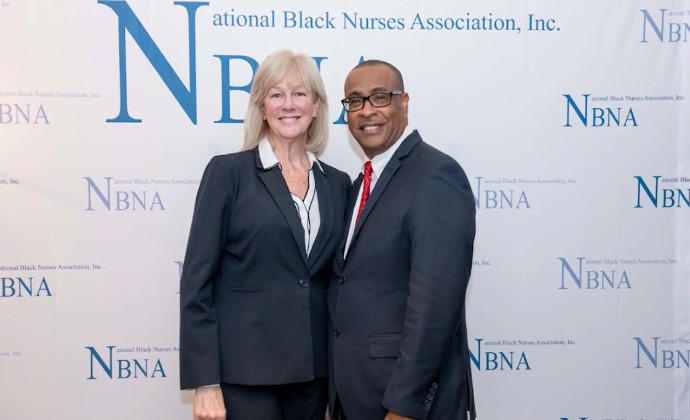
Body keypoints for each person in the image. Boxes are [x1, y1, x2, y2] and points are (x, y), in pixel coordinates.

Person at [179, 50, 350, 420]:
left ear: (317, 105)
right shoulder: (228, 174)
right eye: (276, 94)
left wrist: (336, 384)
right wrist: (205, 382)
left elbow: (335, 284)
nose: (289, 105)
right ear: (261, 106)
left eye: (300, 93)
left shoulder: (338, 184)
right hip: (244, 377)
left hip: (313, 377)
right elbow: (197, 282)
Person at [328, 60, 477, 420]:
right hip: (354, 396)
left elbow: (436, 308)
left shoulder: (436, 175)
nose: (367, 111)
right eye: (355, 101)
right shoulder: (359, 184)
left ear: (404, 102)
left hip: (401, 404)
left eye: (380, 97)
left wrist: (404, 407)